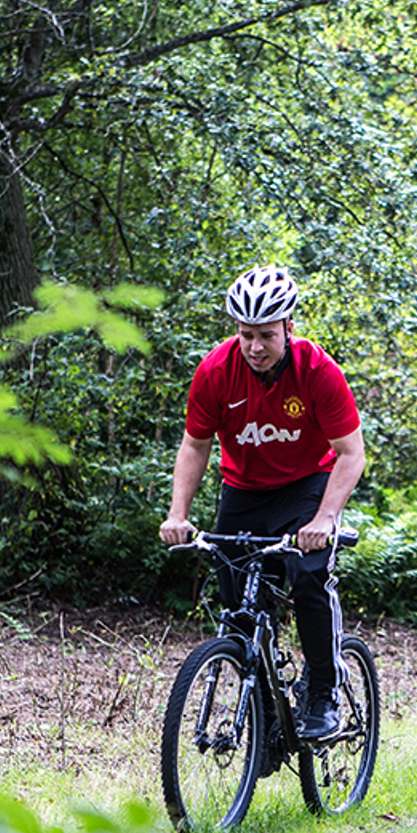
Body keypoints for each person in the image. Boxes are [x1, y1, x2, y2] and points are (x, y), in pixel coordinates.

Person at [159, 266, 366, 740]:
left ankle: (322, 689)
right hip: (245, 492)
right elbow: (195, 445)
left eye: (266, 336)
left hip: (307, 486)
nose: (255, 347)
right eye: (246, 335)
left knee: (309, 575)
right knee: (239, 608)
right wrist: (178, 514)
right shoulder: (216, 371)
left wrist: (326, 518)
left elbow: (351, 454)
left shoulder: (317, 371)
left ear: (289, 328)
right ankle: (267, 710)